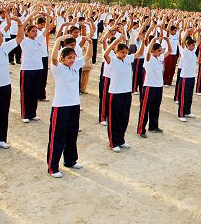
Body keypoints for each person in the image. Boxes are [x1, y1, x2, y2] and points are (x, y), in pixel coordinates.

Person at [47, 34, 93, 178]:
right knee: (57, 137)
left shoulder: (75, 66)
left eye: (73, 57)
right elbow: (53, 57)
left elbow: (88, 56)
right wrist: (59, 41)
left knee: (72, 135)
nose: (72, 60)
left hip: (74, 105)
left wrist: (90, 43)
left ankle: (70, 161)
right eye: (69, 58)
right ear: (62, 58)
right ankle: (53, 167)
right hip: (61, 107)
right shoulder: (58, 68)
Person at [104, 30, 145, 152]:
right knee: (113, 118)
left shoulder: (128, 59)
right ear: (116, 52)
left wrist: (143, 41)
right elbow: (106, 54)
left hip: (126, 92)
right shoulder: (113, 60)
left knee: (124, 117)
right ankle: (113, 142)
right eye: (122, 52)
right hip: (115, 93)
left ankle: (121, 139)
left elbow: (140, 53)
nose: (124, 54)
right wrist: (116, 41)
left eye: (126, 52)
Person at [0, 13, 24, 149]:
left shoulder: (4, 48)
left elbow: (19, 38)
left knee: (3, 112)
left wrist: (19, 23)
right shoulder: (0, 43)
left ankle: (1, 138)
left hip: (5, 85)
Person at [137, 36, 172, 137]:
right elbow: (148, 52)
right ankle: (141, 129)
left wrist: (168, 41)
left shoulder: (160, 57)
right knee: (145, 108)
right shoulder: (149, 58)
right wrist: (153, 40)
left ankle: (153, 126)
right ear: (153, 51)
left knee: (155, 107)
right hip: (149, 86)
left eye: (161, 50)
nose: (161, 52)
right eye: (159, 50)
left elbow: (170, 50)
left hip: (158, 86)